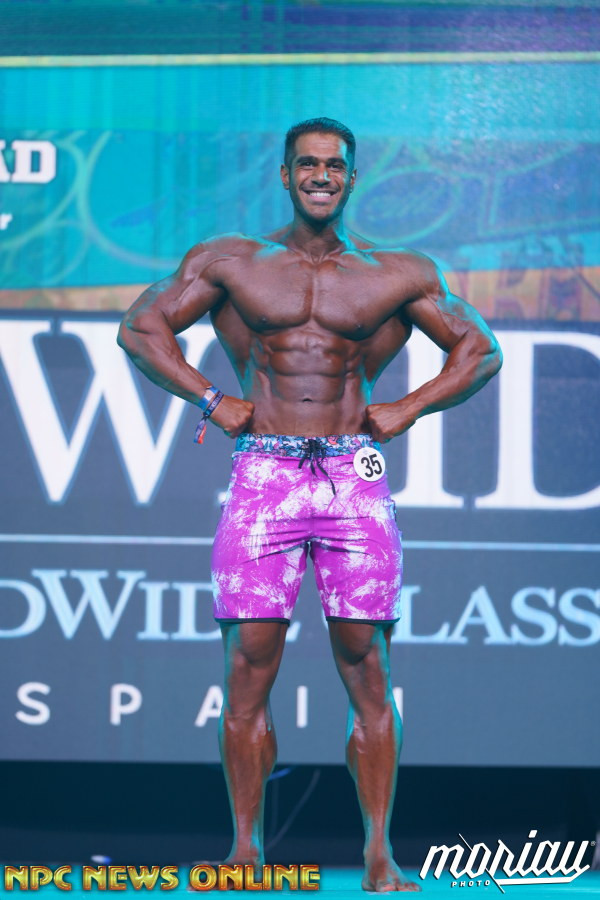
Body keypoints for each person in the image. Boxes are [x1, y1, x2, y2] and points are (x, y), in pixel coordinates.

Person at [117, 117, 502, 893]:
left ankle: (379, 855)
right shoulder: (233, 261)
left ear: (352, 178)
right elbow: (140, 328)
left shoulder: (398, 272)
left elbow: (481, 350)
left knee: (367, 665)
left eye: (334, 165)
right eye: (307, 164)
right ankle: (245, 852)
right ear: (286, 175)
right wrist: (211, 398)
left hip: (352, 478)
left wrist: (409, 406)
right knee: (248, 667)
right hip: (264, 476)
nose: (321, 175)